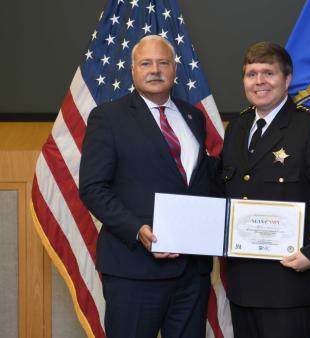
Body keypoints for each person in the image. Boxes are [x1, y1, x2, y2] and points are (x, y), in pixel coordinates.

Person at [79, 35, 213, 338]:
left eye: (163, 62)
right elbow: (93, 187)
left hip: (192, 274)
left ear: (175, 70)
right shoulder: (108, 118)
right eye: (146, 63)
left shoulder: (193, 117)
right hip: (134, 271)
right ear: (133, 70)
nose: (155, 70)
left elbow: (199, 183)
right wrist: (138, 229)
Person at [220, 41, 310, 338]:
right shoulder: (238, 128)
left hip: (289, 278)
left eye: (268, 73)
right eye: (251, 74)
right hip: (243, 281)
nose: (259, 82)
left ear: (287, 79)